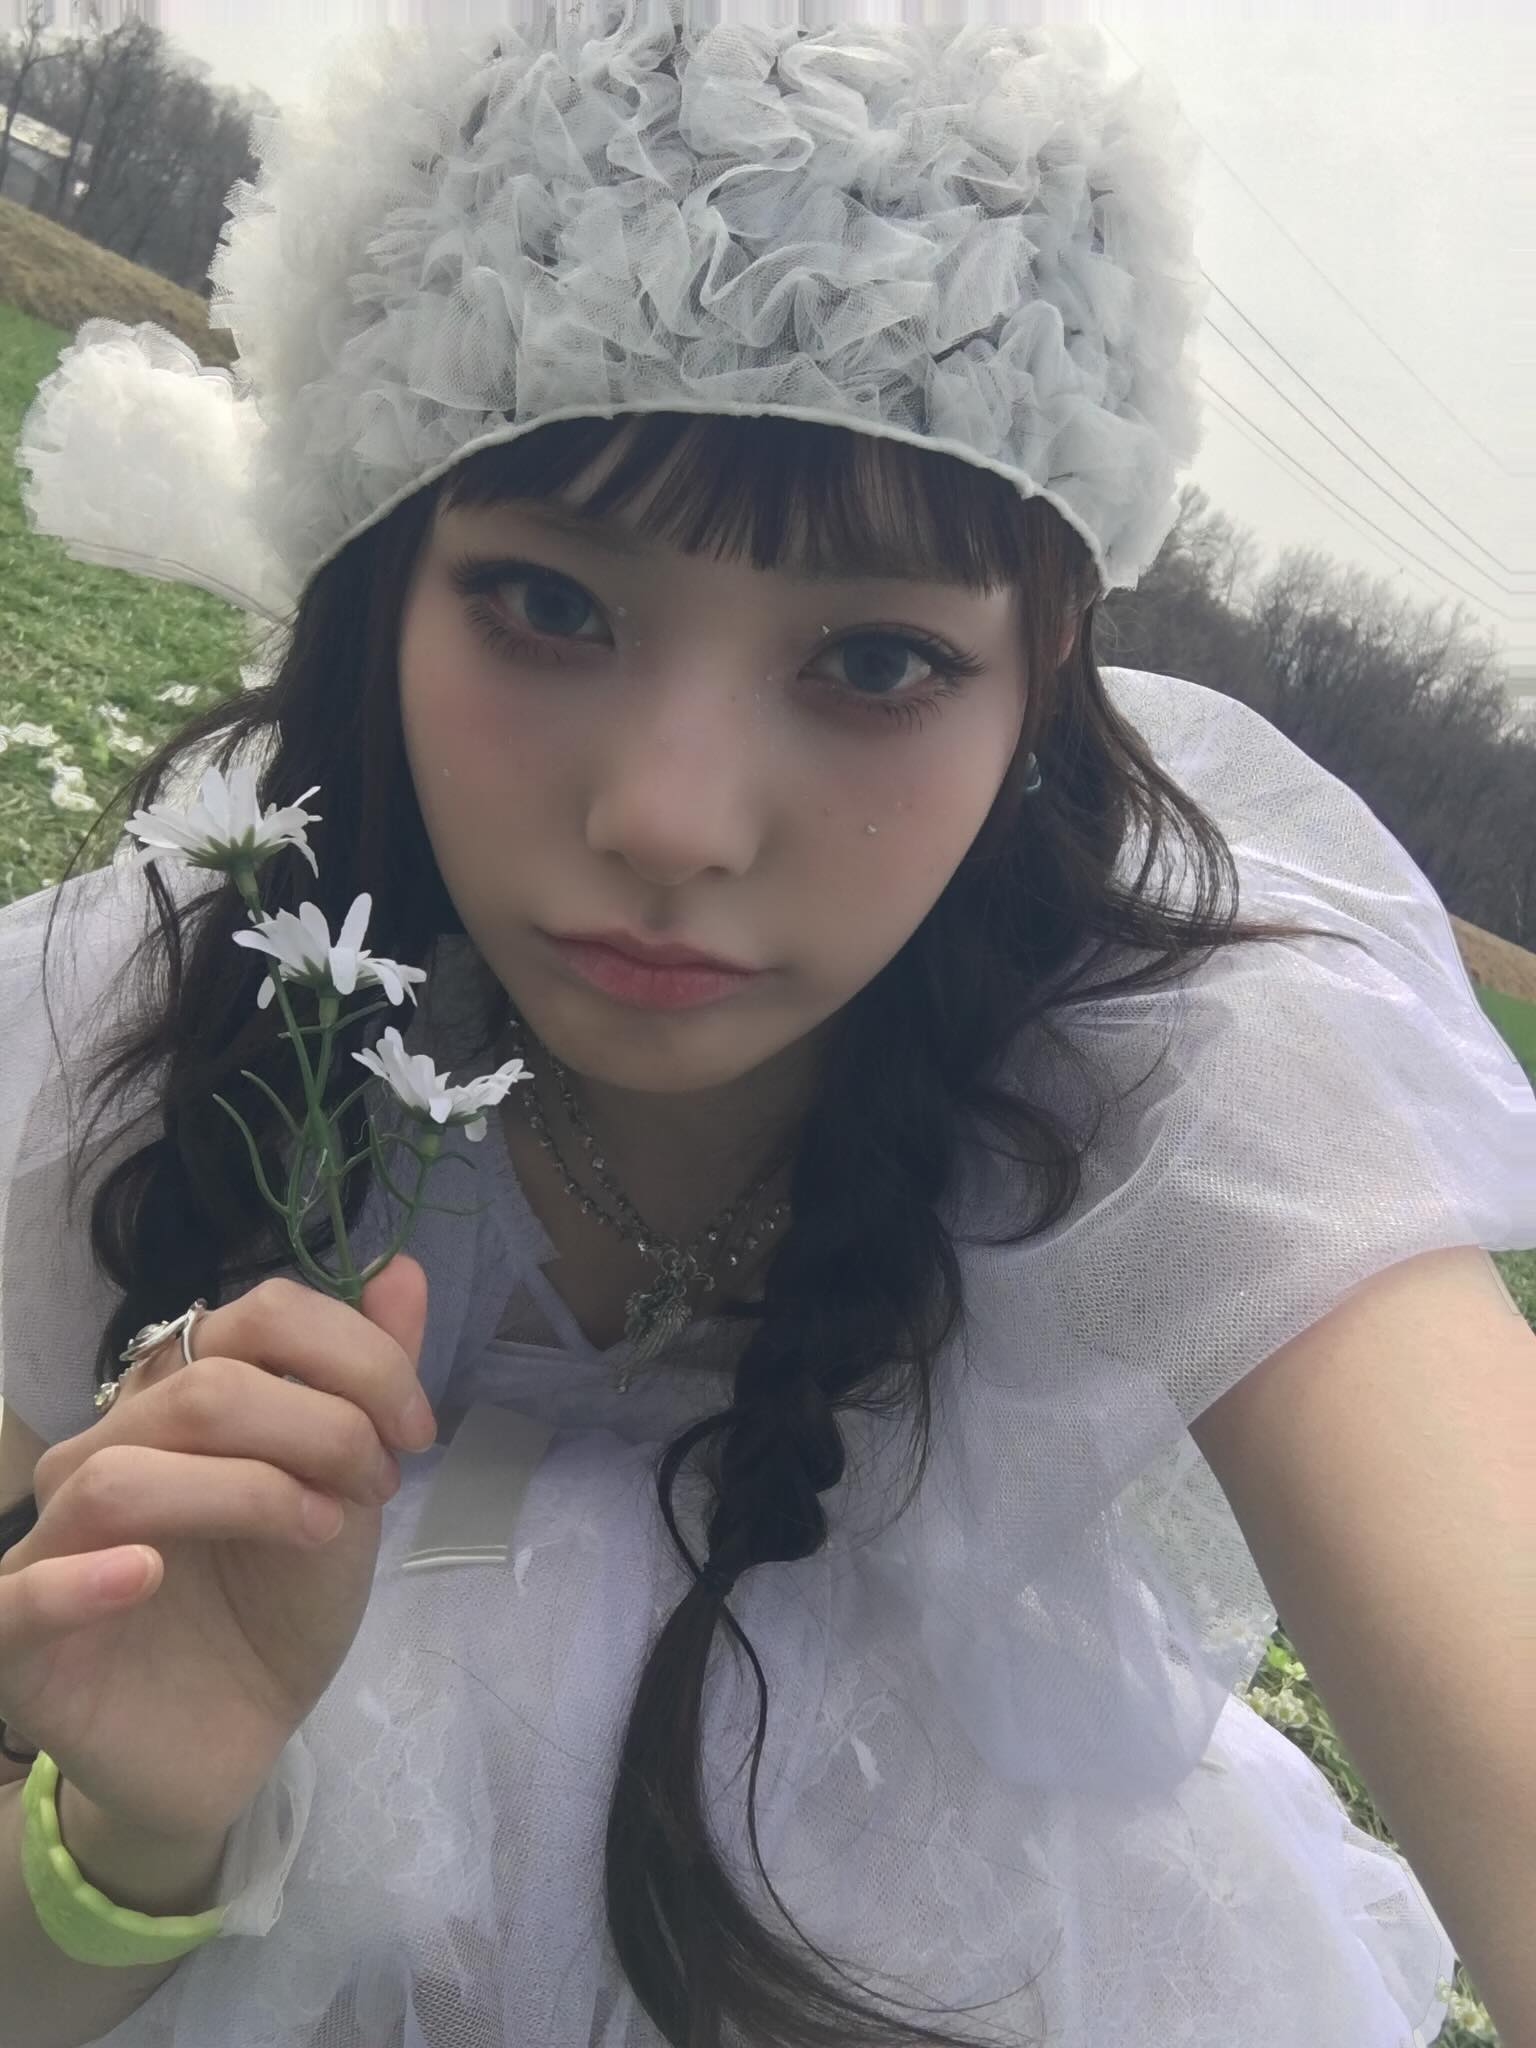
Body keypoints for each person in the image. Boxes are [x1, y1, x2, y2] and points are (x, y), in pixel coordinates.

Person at [0, 9, 1531, 2046]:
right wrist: (128, 1842)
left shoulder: (1174, 1059)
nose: (673, 821)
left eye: (876, 660)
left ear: (1044, 667)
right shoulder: (168, 1015)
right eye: (551, 606)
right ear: (387, 570)